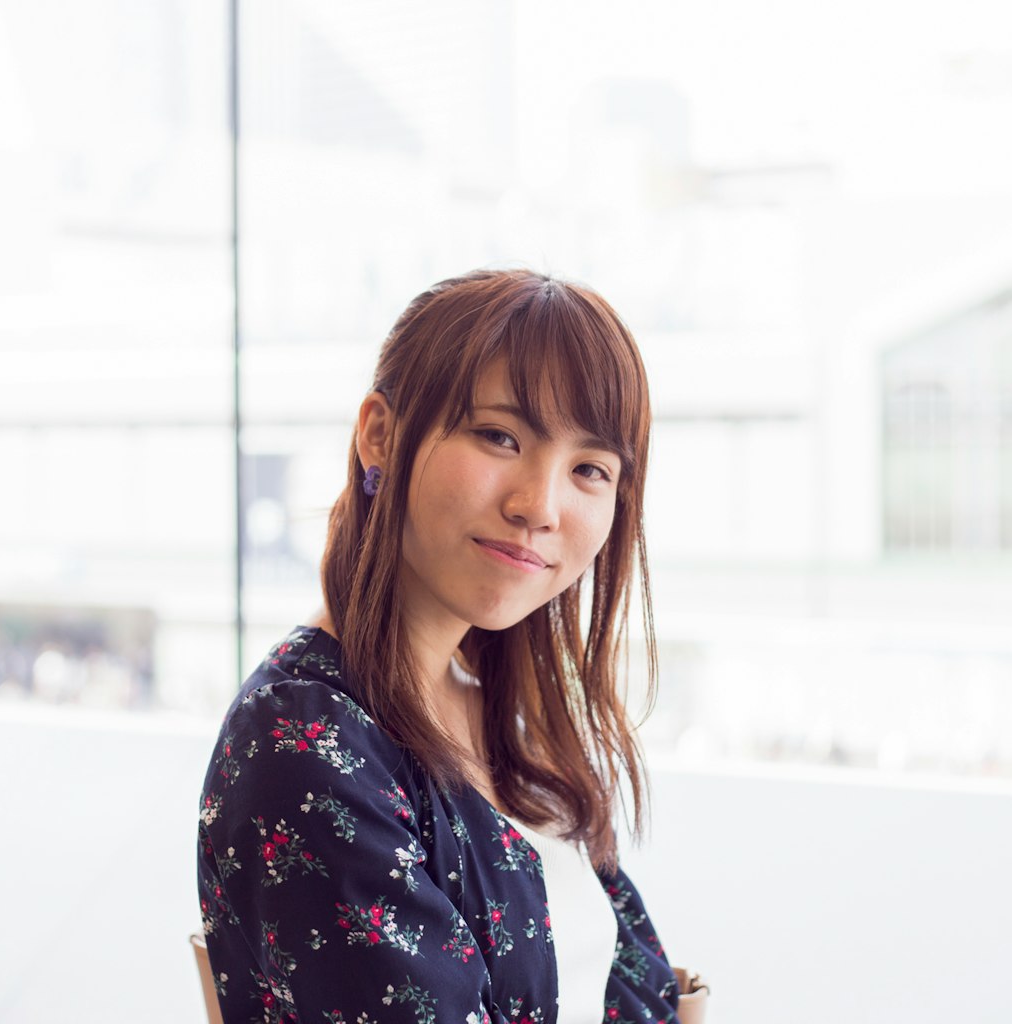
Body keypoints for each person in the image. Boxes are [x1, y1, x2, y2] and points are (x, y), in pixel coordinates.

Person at [197, 268, 681, 1024]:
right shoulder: (306, 740)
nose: (538, 506)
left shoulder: (502, 716)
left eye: (590, 470)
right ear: (379, 434)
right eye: (499, 436)